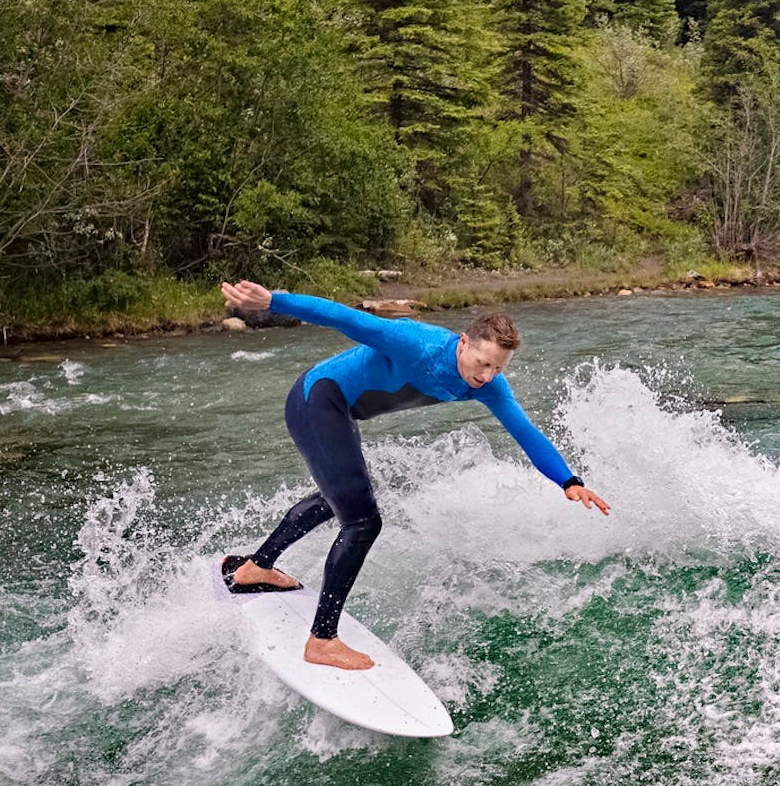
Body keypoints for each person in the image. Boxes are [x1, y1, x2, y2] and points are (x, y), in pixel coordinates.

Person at [217, 280, 610, 670]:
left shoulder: (489, 386)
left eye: (497, 368)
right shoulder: (414, 342)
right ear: (463, 343)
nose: (487, 375)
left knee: (338, 500)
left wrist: (569, 481)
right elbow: (344, 317)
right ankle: (322, 640)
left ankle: (256, 568)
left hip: (338, 411)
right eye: (482, 363)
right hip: (316, 400)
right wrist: (273, 301)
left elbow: (525, 431)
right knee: (362, 522)